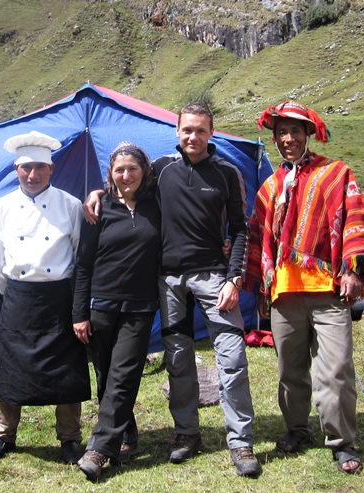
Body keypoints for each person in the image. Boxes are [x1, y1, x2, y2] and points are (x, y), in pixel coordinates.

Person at [84, 103, 260, 477]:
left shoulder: (227, 173)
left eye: (200, 130)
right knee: (178, 360)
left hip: (214, 277)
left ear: (211, 132)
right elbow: (125, 189)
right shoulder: (161, 170)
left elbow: (240, 229)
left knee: (231, 357)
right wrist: (96, 194)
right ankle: (186, 434)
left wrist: (235, 277)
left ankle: (240, 442)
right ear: (177, 132)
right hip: (169, 280)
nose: (193, 137)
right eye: (186, 130)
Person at [244, 101, 364, 474]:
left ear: (309, 133)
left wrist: (354, 270)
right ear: (274, 138)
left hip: (328, 292)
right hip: (284, 295)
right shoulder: (269, 188)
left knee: (336, 367)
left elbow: (355, 218)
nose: (288, 138)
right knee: (289, 371)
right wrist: (262, 289)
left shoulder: (336, 174)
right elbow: (260, 241)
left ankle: (342, 441)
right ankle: (297, 429)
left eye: (295, 131)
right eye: (281, 133)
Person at [0, 131, 91, 465]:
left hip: (59, 298)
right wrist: (13, 293)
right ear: (16, 168)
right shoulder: (1, 208)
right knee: (10, 369)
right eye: (26, 167)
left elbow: (79, 256)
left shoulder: (70, 205)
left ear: (51, 169)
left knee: (67, 371)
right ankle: (3, 436)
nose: (33, 174)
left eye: (40, 167)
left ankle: (70, 438)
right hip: (18, 297)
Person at [72, 142, 162, 480]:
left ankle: (98, 450)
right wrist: (79, 312)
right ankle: (127, 436)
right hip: (100, 306)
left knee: (123, 376)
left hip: (139, 308)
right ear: (110, 173)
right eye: (119, 169)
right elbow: (83, 265)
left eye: (132, 169)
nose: (126, 175)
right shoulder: (99, 209)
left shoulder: (157, 205)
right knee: (107, 376)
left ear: (144, 171)